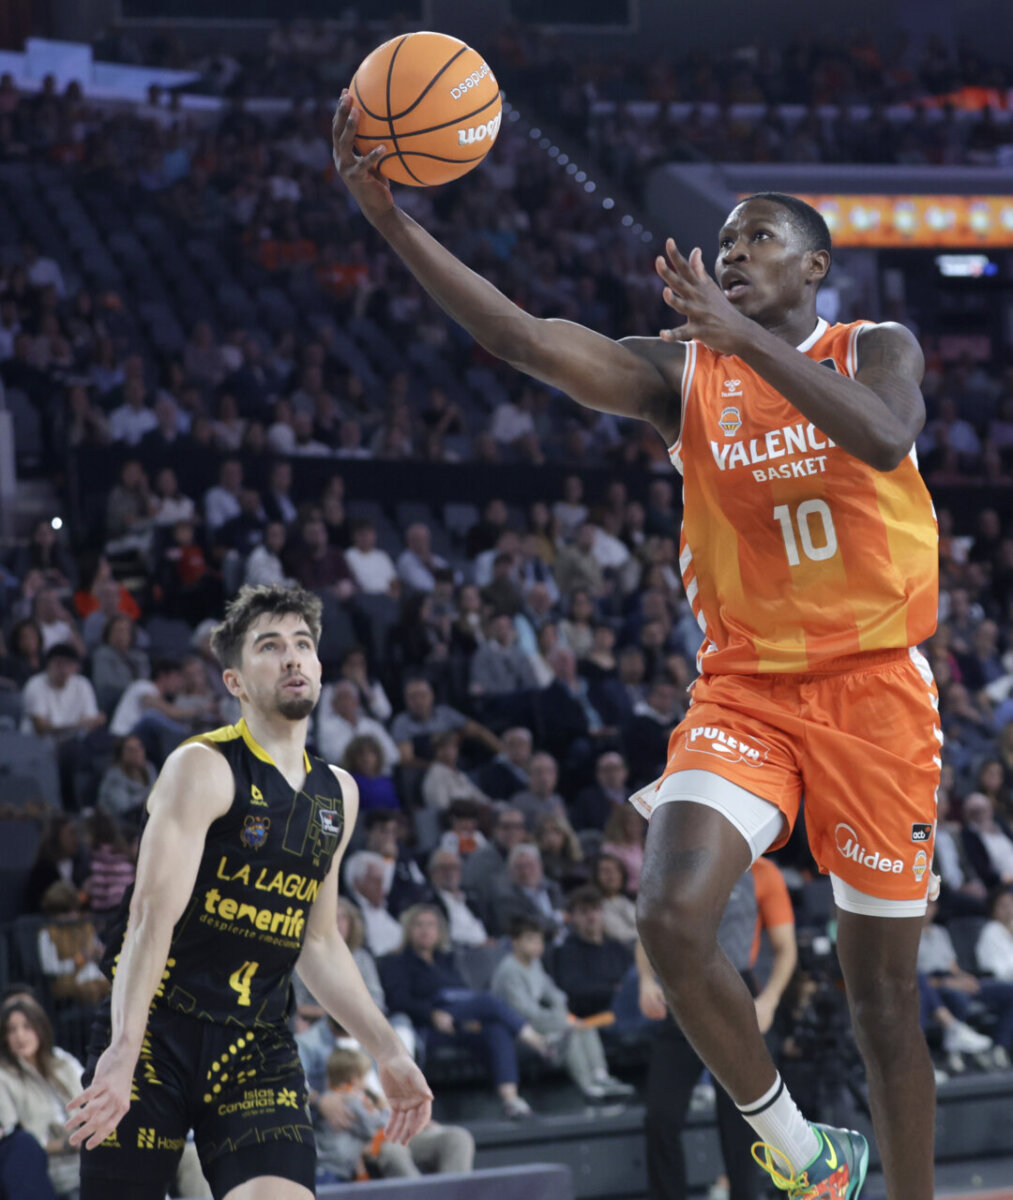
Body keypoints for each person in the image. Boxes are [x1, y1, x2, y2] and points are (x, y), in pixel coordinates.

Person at [337, 111, 939, 1194]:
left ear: (814, 266)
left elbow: (884, 438)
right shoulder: (683, 373)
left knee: (883, 1004)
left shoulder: (872, 349)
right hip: (746, 690)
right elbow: (522, 338)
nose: (731, 251)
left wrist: (745, 336)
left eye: (756, 237)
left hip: (874, 691)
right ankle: (805, 1157)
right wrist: (387, 216)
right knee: (667, 913)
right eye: (722, 242)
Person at [66, 583, 431, 1199]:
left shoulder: (337, 792)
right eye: (269, 646)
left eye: (303, 644)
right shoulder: (202, 766)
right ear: (234, 681)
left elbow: (317, 943)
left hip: (254, 1043)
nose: (292, 657)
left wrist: (388, 1050)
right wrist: (123, 1050)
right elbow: (150, 919)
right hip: (156, 1029)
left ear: (318, 666)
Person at [379, 904, 547, 1118]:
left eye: (431, 925)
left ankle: (510, 1099)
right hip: (425, 1028)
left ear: (439, 931)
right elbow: (398, 1001)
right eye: (418, 925)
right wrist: (432, 1014)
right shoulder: (397, 962)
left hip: (458, 1021)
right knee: (487, 1000)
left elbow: (462, 992)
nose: (425, 930)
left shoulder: (446, 960)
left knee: (496, 1029)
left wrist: (464, 1019)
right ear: (408, 930)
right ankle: (534, 1039)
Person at [491, 917, 633, 1101]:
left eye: (539, 940)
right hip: (518, 1028)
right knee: (570, 1029)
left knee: (584, 1025)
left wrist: (563, 1012)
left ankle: (600, 1076)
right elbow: (524, 1011)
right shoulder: (508, 970)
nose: (537, 945)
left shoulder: (534, 964)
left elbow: (555, 994)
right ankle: (587, 1085)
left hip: (539, 1021)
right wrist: (562, 1019)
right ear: (514, 942)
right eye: (530, 939)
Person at [0, 996, 82, 1199]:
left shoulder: (62, 1061)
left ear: (40, 1028)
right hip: (48, 1173)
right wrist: (67, 1144)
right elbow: (14, 1143)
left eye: (27, 1027)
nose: (20, 1036)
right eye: (12, 1030)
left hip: (89, 1160)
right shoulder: (4, 1076)